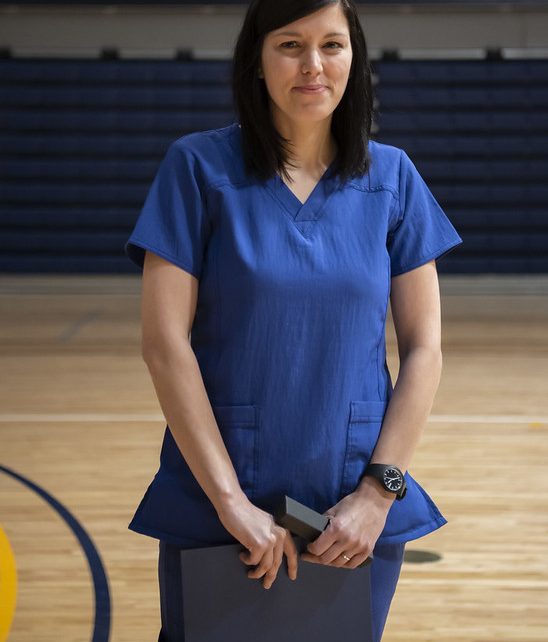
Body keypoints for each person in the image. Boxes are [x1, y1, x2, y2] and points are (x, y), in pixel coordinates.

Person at [124, 0, 463, 640]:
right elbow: (165, 345)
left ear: (354, 59)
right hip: (220, 500)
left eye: (331, 45)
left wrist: (376, 494)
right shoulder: (196, 169)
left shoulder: (393, 178)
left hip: (348, 509)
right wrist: (231, 504)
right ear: (256, 59)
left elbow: (425, 350)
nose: (313, 65)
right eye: (289, 45)